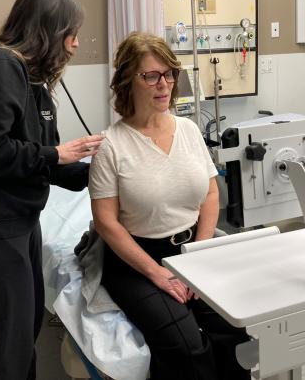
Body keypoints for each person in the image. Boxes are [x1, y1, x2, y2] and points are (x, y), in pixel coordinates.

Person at [0, 0, 103, 380]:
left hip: (20, 219)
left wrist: (103, 175)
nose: (76, 44)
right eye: (72, 32)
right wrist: (57, 155)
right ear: (48, 31)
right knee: (12, 344)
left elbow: (42, 161)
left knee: (26, 326)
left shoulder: (33, 83)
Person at [89, 32, 250, 380]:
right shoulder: (111, 146)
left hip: (193, 249)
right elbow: (107, 223)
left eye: (169, 74)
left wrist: (199, 253)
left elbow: (210, 195)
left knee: (237, 330)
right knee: (186, 345)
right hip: (137, 262)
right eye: (151, 76)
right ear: (127, 81)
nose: (164, 85)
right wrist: (157, 272)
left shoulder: (189, 131)